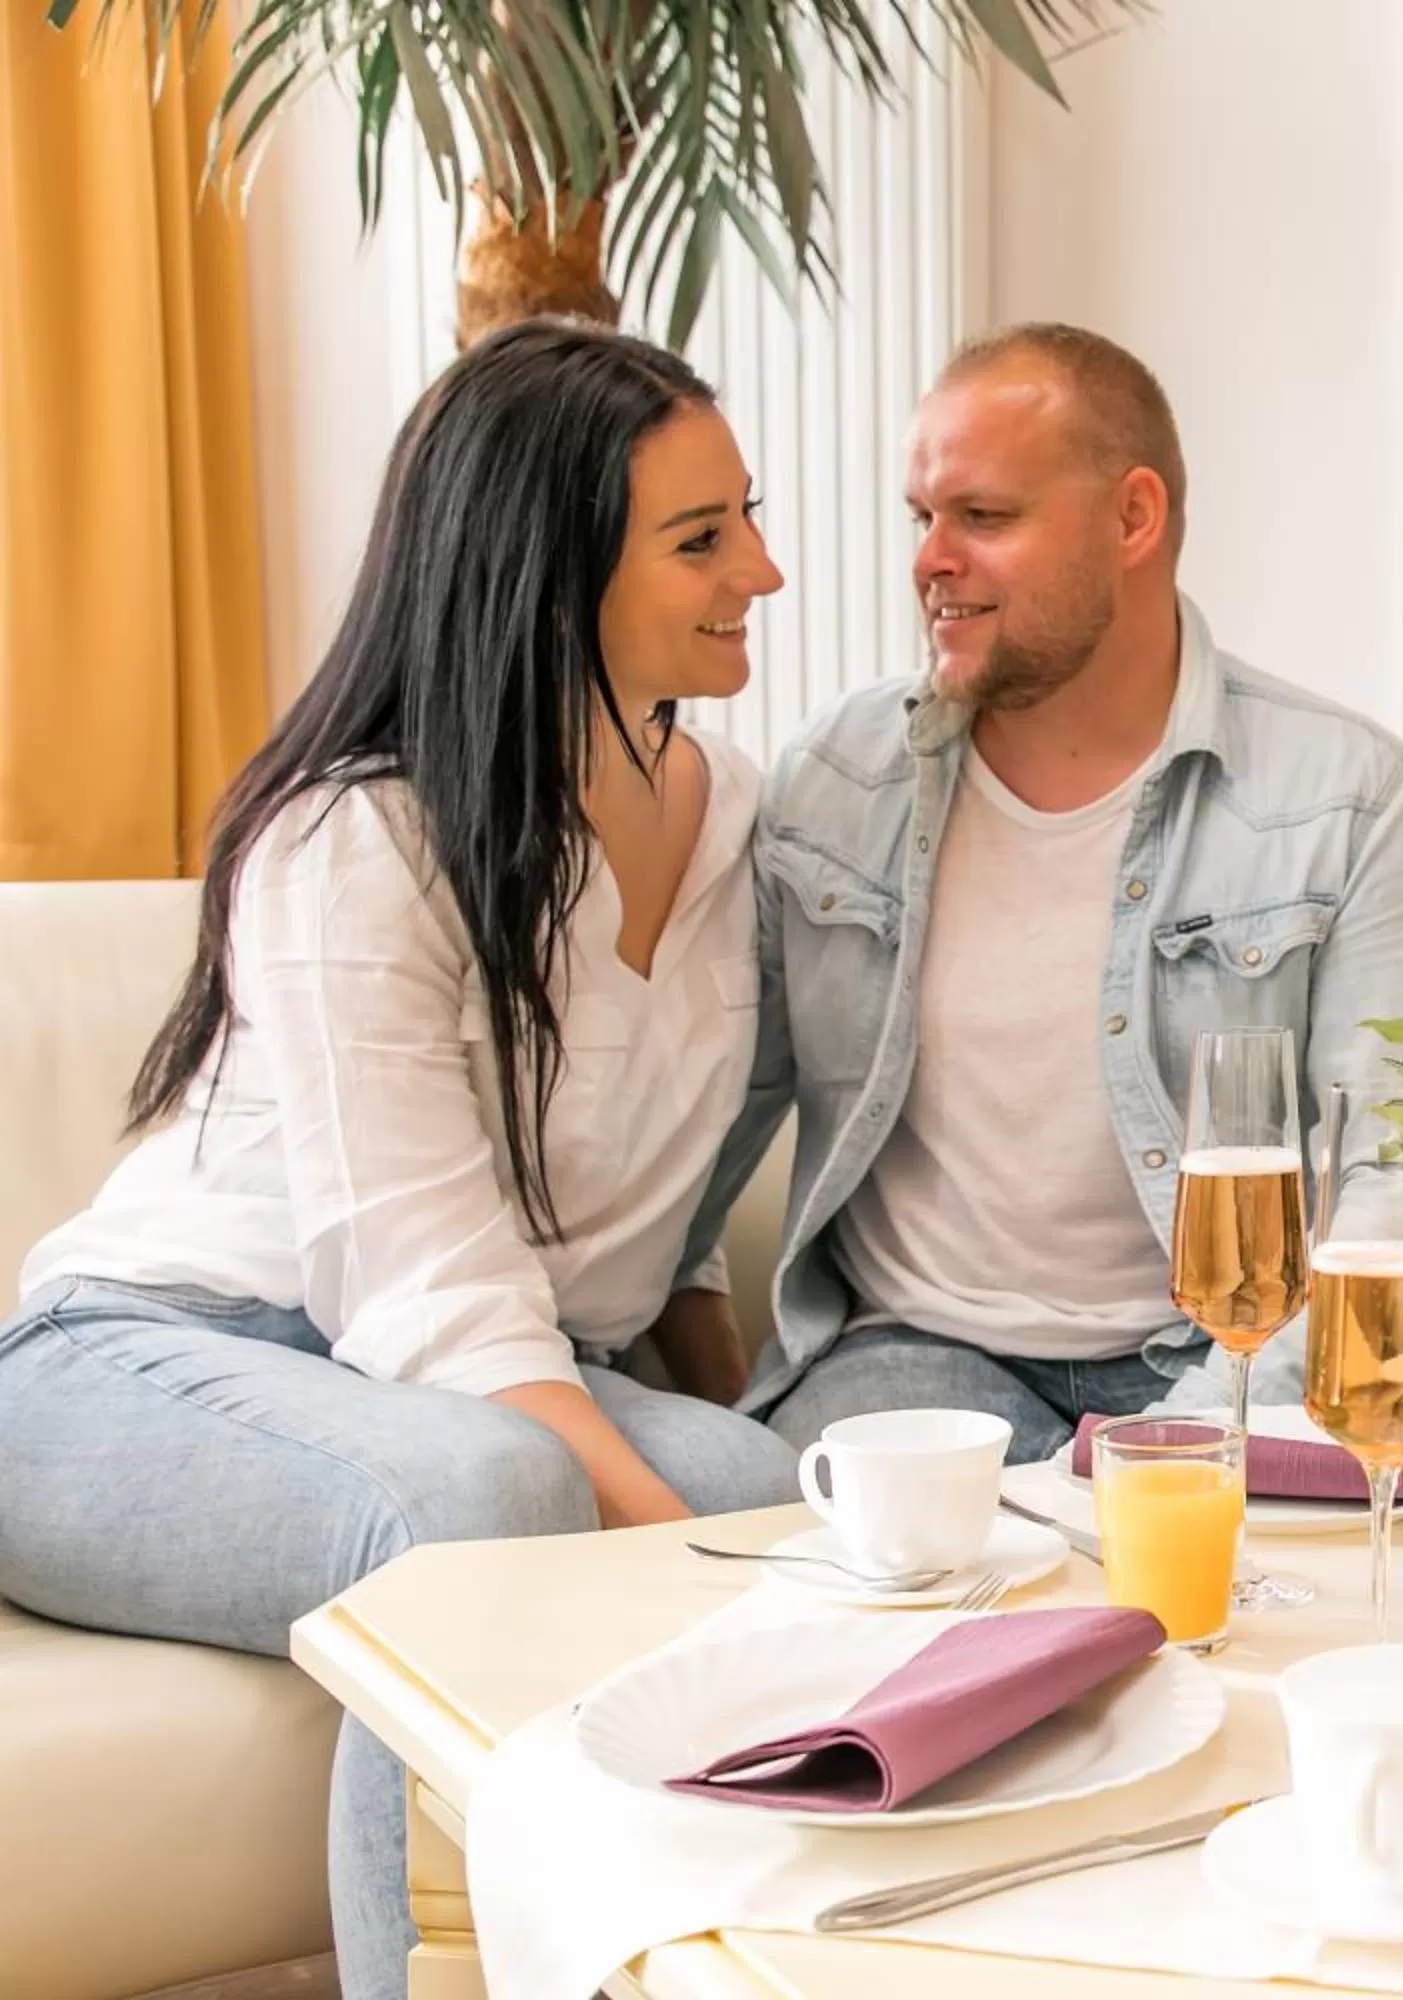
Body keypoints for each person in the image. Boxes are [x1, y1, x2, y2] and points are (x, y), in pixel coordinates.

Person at [0, 319, 802, 1999]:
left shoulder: (729, 824)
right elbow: (431, 1293)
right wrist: (680, 1583)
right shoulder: (351, 837)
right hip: (147, 1363)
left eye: (748, 517)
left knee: (774, 1500)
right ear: (547, 563)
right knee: (482, 1502)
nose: (766, 569)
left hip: (466, 1374)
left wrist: (742, 1468)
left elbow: (665, 1218)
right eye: (702, 536)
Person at [677, 322, 1403, 1458]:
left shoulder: (1347, 799)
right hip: (912, 1356)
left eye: (984, 517)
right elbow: (700, 1120)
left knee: (1180, 1598)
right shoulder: (832, 779)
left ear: (1133, 518)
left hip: (1224, 1357)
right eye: (923, 517)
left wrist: (1216, 1431)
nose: (929, 559)